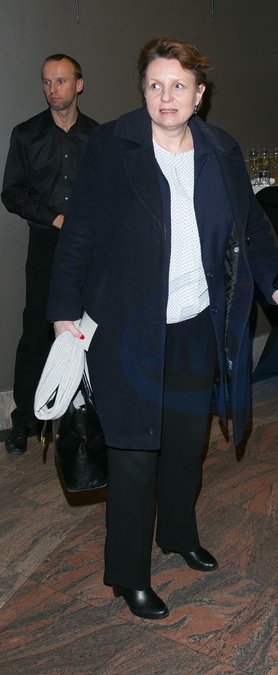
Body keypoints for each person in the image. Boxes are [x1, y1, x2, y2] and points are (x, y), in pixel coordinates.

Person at [46, 36, 278, 619]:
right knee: (135, 453)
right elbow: (78, 232)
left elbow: (251, 227)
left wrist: (273, 283)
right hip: (128, 328)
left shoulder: (220, 149)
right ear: (143, 90)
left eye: (179, 86)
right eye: (156, 85)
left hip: (194, 325)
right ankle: (129, 573)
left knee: (187, 447)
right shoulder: (113, 145)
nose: (167, 97)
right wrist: (63, 313)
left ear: (199, 94)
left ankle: (179, 535)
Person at [1, 54, 98, 455]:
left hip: (91, 245)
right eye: (46, 82)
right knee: (37, 329)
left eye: (60, 81)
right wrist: (55, 218)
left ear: (78, 84)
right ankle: (24, 418)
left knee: (90, 327)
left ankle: (87, 416)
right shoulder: (26, 134)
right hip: (46, 243)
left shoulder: (98, 136)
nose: (52, 89)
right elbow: (11, 192)